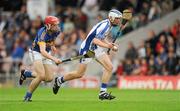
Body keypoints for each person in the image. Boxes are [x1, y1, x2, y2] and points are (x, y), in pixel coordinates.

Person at [52, 9, 124, 100]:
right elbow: (94, 40)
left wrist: (110, 44)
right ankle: (59, 80)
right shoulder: (104, 26)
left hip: (96, 49)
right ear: (111, 18)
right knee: (79, 74)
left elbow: (102, 37)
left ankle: (102, 92)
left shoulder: (109, 25)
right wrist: (107, 45)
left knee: (109, 67)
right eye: (117, 19)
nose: (119, 21)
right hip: (88, 49)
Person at [19, 16, 62, 102]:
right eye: (54, 25)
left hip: (46, 52)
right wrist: (54, 59)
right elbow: (42, 51)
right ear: (48, 25)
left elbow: (52, 39)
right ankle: (27, 96)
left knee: (49, 78)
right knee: (41, 75)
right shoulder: (42, 34)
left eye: (57, 24)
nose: (57, 26)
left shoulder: (57, 31)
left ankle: (26, 74)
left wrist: (53, 46)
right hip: (36, 52)